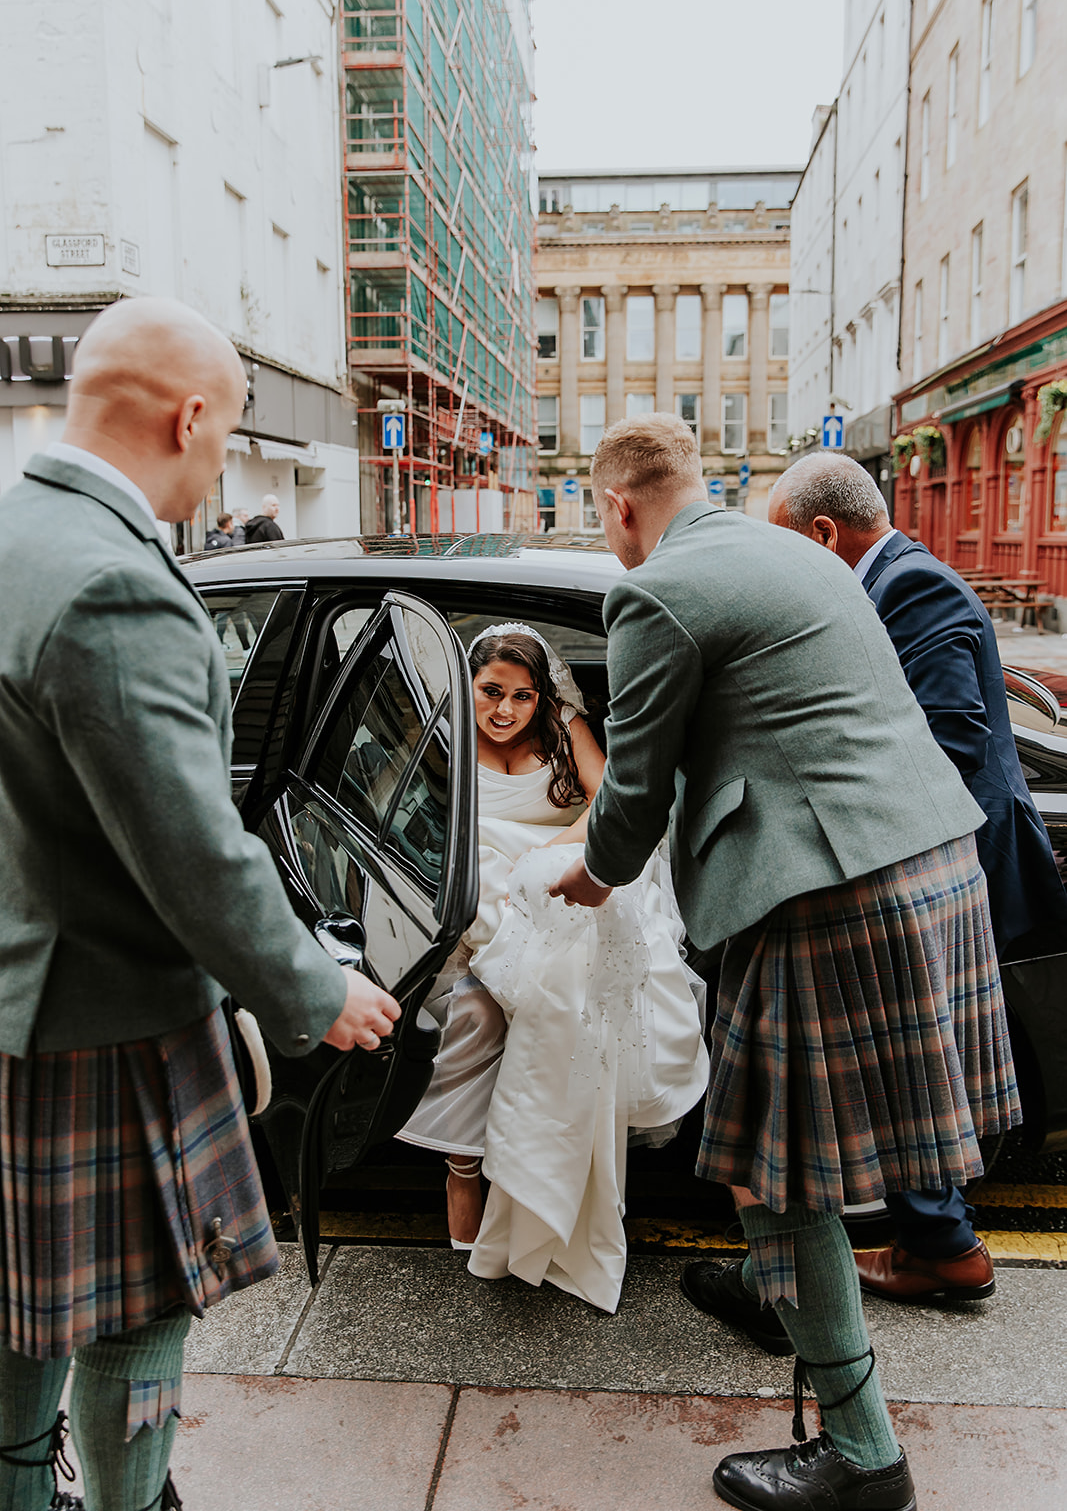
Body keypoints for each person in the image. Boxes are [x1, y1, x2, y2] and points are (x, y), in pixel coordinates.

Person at [549, 414, 1019, 1511]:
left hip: (830, 894)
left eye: (601, 518)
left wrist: (597, 873)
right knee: (780, 1153)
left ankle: (861, 1452)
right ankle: (775, 1289)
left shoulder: (653, 590)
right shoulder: (791, 552)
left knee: (776, 1173)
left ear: (620, 505)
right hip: (927, 862)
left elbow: (636, 786)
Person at [0, 297, 401, 1511]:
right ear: (187, 418)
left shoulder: (14, 536)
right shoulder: (119, 584)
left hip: (18, 993)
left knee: (25, 1309)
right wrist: (312, 987)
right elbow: (190, 852)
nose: (223, 456)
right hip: (110, 1020)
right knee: (137, 1313)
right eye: (226, 430)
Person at [769, 450, 1067, 1308]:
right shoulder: (885, 582)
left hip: (945, 859)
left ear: (823, 535)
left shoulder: (913, 588)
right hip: (923, 850)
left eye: (784, 548)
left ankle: (941, 1246)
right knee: (913, 1049)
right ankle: (930, 1234)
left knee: (917, 1051)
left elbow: (948, 744)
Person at [398, 624, 709, 1313]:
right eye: (490, 693)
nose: (504, 710)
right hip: (484, 877)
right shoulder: (445, 733)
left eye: (520, 695)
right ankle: (473, 1171)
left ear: (544, 695)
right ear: (469, 686)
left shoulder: (564, 728)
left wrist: (553, 860)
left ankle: (554, 1159)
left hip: (560, 867)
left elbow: (606, 803)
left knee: (585, 964)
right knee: (510, 963)